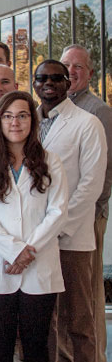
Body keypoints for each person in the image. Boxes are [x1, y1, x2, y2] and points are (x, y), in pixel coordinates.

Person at [0, 90, 67, 362]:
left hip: (39, 263)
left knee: (37, 346)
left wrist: (27, 251)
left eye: (22, 116)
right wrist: (14, 251)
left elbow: (57, 211)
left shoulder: (50, 161)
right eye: (8, 116)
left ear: (32, 122)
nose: (15, 122)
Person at [33, 59, 107, 362]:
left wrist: (58, 227)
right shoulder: (28, 122)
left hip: (71, 237)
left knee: (78, 320)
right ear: (34, 84)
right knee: (44, 321)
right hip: (36, 239)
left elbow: (91, 185)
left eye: (57, 78)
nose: (49, 84)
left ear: (69, 83)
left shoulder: (88, 123)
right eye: (42, 78)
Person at [61, 44, 112, 362]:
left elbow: (105, 172)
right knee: (70, 295)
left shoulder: (98, 111)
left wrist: (90, 211)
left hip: (87, 216)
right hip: (64, 218)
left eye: (78, 66)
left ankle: (94, 356)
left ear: (91, 73)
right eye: (66, 65)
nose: (71, 71)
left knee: (88, 296)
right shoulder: (58, 108)